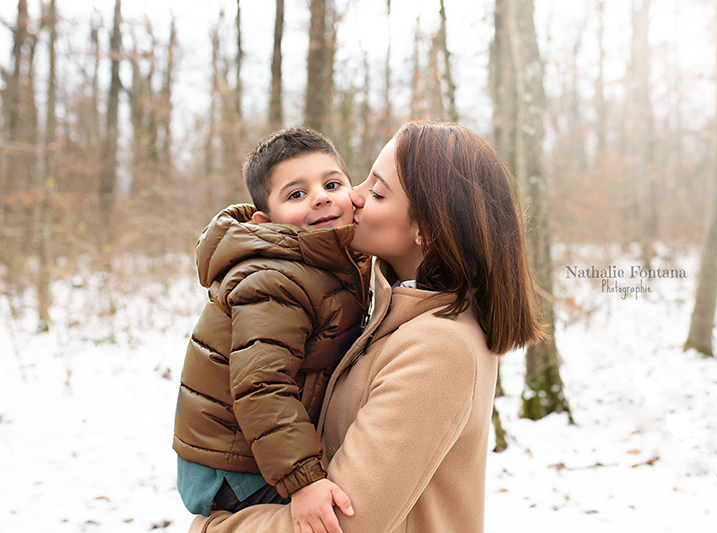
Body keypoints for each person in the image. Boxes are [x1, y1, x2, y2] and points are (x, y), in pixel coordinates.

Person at [188, 120, 546, 533]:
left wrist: (211, 528)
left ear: (425, 231)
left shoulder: (436, 347)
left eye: (376, 192)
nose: (352, 197)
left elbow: (344, 523)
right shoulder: (385, 310)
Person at [173, 128, 370, 527]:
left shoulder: (336, 263)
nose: (320, 197)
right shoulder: (272, 279)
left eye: (332, 184)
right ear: (267, 221)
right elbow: (262, 384)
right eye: (296, 194)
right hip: (230, 465)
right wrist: (303, 481)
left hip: (256, 448)